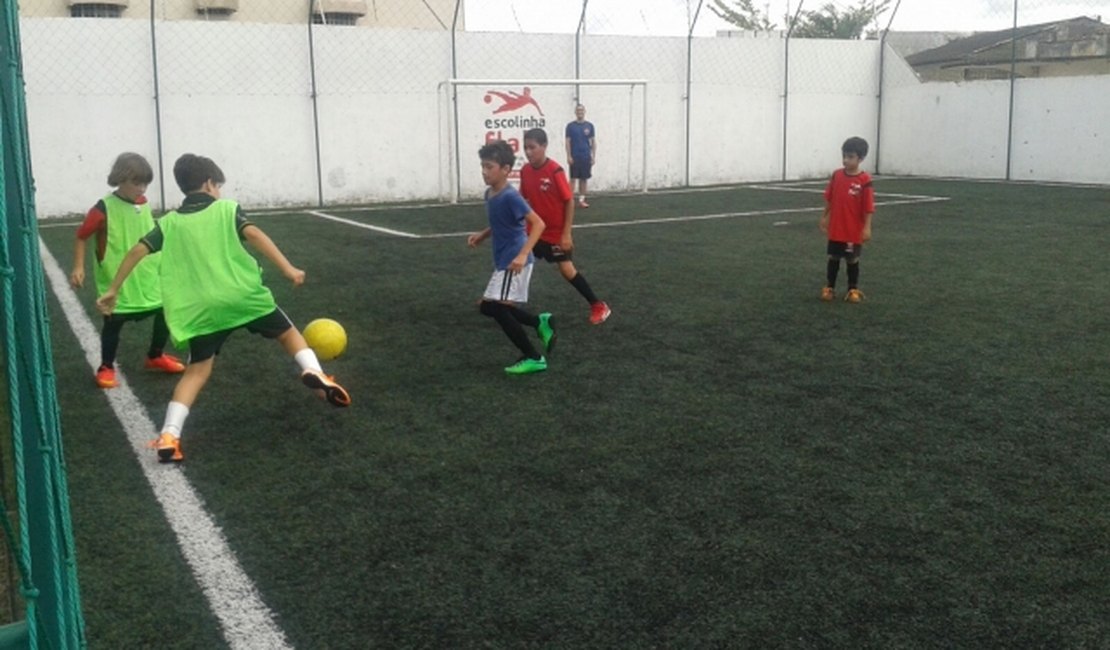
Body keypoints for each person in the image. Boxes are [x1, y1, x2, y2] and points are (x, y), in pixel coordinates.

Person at [96, 153, 350, 463]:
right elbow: (253, 234)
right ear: (207, 184)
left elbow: (138, 250)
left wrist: (112, 289)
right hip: (244, 297)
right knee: (288, 334)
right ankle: (315, 371)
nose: (220, 191)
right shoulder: (227, 209)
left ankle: (169, 436)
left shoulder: (169, 223)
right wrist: (288, 268)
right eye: (218, 185)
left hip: (201, 310)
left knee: (197, 372)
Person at [71, 152, 185, 388]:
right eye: (137, 183)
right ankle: (106, 366)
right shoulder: (103, 208)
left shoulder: (143, 205)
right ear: (120, 179)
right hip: (117, 280)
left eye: (145, 183)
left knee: (165, 311)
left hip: (148, 276)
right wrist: (79, 266)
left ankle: (155, 355)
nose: (142, 188)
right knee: (114, 322)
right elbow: (82, 236)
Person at [467, 140, 555, 375]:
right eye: (482, 166)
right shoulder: (490, 194)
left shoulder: (510, 196)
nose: (484, 172)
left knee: (494, 308)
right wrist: (483, 235)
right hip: (505, 259)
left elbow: (538, 224)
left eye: (489, 167)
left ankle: (534, 357)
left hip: (514, 261)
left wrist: (523, 254)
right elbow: (501, 222)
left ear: (505, 169)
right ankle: (539, 322)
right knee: (489, 307)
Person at [519, 128, 611, 325]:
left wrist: (566, 234)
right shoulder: (525, 171)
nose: (528, 152)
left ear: (544, 146)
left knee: (567, 270)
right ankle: (497, 299)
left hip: (554, 233)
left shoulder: (555, 171)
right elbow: (523, 198)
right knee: (518, 261)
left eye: (532, 147)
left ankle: (598, 305)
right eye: (525, 147)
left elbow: (569, 201)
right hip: (534, 231)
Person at [819, 136, 875, 303]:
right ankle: (830, 287)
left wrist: (867, 227)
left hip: (853, 229)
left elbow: (868, 206)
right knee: (834, 257)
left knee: (852, 259)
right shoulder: (836, 175)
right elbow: (830, 198)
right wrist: (824, 217)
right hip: (836, 227)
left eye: (850, 157)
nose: (845, 160)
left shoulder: (865, 180)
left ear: (861, 158)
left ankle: (852, 289)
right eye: (844, 156)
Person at [564, 104, 596, 208]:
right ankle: (569, 200)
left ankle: (582, 200)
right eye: (578, 110)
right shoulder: (570, 126)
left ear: (584, 112)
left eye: (581, 110)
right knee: (573, 179)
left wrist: (593, 156)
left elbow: (593, 142)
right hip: (575, 156)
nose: (580, 112)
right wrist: (569, 156)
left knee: (584, 179)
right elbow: (567, 142)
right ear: (575, 112)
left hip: (586, 156)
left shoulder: (590, 126)